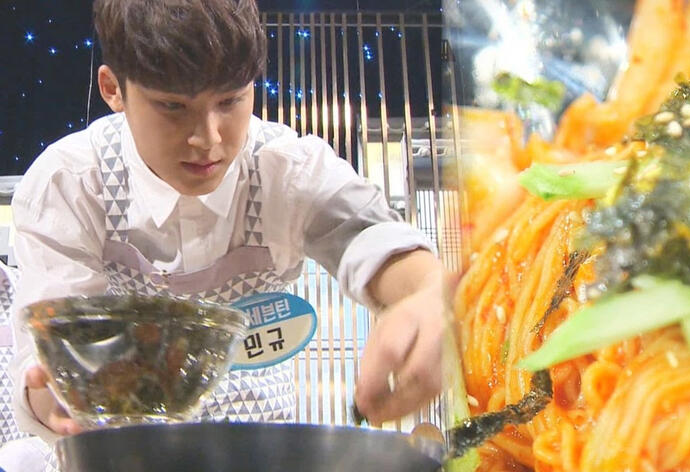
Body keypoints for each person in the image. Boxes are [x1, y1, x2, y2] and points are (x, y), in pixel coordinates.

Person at [9, 0, 446, 444]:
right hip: (123, 450)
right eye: (172, 106)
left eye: (231, 100)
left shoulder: (287, 169)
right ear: (112, 89)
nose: (208, 138)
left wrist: (426, 296)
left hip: (262, 447)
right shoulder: (71, 183)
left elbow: (369, 234)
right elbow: (43, 356)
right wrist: (59, 397)